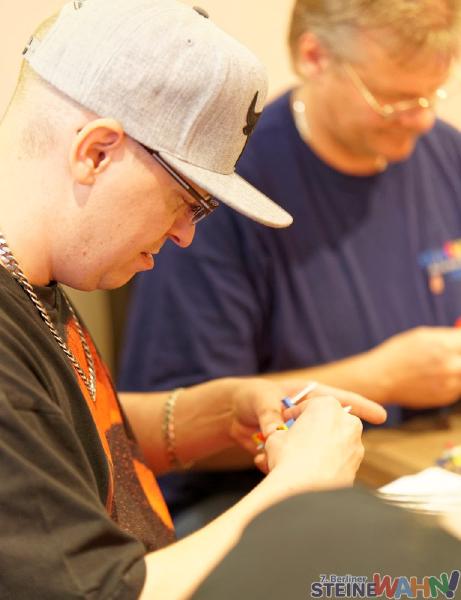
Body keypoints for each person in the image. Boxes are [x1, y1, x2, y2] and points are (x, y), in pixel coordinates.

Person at [0, 0, 388, 597]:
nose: (185, 234)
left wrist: (222, 412)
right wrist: (298, 489)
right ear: (96, 152)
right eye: (188, 199)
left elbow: (56, 434)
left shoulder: (31, 280)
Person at [118, 0, 461, 533]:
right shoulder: (223, 190)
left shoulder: (444, 155)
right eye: (392, 100)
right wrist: (383, 377)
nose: (420, 119)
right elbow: (171, 430)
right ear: (314, 57)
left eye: (431, 95)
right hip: (251, 499)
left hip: (418, 467)